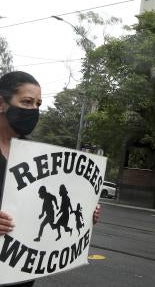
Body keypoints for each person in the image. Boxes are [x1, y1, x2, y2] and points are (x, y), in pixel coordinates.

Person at [0, 71, 101, 286]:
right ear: (1, 103)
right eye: (26, 102)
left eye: (37, 104)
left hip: (18, 273)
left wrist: (87, 208)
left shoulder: (32, 154)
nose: (33, 110)